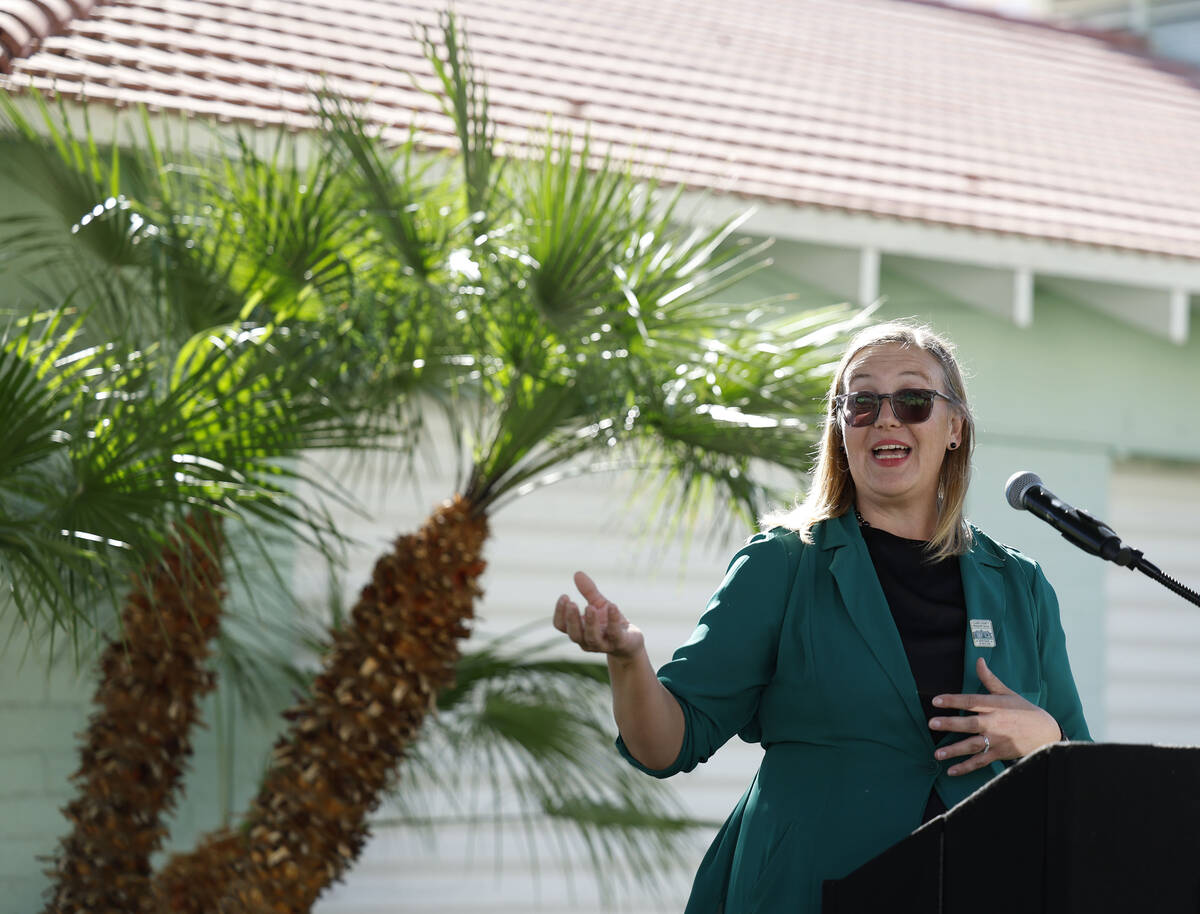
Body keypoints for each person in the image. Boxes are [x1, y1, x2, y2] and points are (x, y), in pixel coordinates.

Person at [552, 320, 1091, 913]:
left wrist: (1047, 740)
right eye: (862, 403)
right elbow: (666, 746)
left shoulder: (1020, 585)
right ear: (841, 428)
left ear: (955, 427)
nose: (886, 419)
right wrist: (629, 660)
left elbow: (1084, 782)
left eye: (913, 400)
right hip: (807, 891)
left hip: (978, 887)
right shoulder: (782, 564)